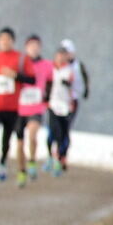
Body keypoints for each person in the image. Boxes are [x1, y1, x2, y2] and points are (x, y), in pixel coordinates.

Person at [0, 27, 34, 192]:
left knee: (6, 141)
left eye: (8, 39)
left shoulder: (20, 59)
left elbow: (32, 79)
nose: (4, 42)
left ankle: (3, 161)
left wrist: (16, 76)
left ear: (13, 41)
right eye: (2, 39)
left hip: (12, 107)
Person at [16, 34, 53, 182]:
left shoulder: (46, 65)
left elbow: (51, 82)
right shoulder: (20, 64)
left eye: (36, 46)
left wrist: (48, 98)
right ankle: (21, 170)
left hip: (36, 107)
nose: (34, 48)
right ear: (26, 47)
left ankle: (31, 161)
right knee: (19, 142)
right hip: (19, 107)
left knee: (32, 136)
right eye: (31, 45)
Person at [55, 38, 89, 170]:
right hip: (57, 102)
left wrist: (86, 91)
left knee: (66, 128)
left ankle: (63, 154)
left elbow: (85, 79)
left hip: (72, 101)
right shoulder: (57, 66)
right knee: (56, 129)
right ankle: (58, 152)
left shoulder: (78, 66)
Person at [46, 47, 75, 176]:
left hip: (65, 105)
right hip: (53, 104)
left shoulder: (70, 70)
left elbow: (74, 88)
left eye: (63, 56)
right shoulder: (50, 69)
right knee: (53, 130)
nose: (60, 58)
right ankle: (52, 157)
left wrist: (69, 87)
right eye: (58, 55)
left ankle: (61, 156)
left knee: (64, 133)